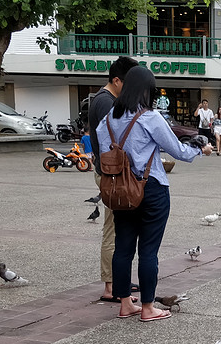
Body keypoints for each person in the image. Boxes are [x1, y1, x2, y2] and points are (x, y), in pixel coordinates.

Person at [98, 67, 212, 322]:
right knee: (148, 251)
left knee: (123, 249)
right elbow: (179, 151)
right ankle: (148, 307)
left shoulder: (107, 120)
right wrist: (200, 151)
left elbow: (102, 152)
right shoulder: (149, 117)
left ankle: (125, 303)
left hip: (120, 191)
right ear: (146, 91)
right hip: (151, 188)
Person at [88, 56, 138, 303]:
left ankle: (117, 281)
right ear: (116, 80)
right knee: (114, 229)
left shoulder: (103, 99)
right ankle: (111, 286)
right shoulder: (107, 104)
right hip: (111, 174)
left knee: (117, 227)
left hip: (108, 172)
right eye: (127, 83)